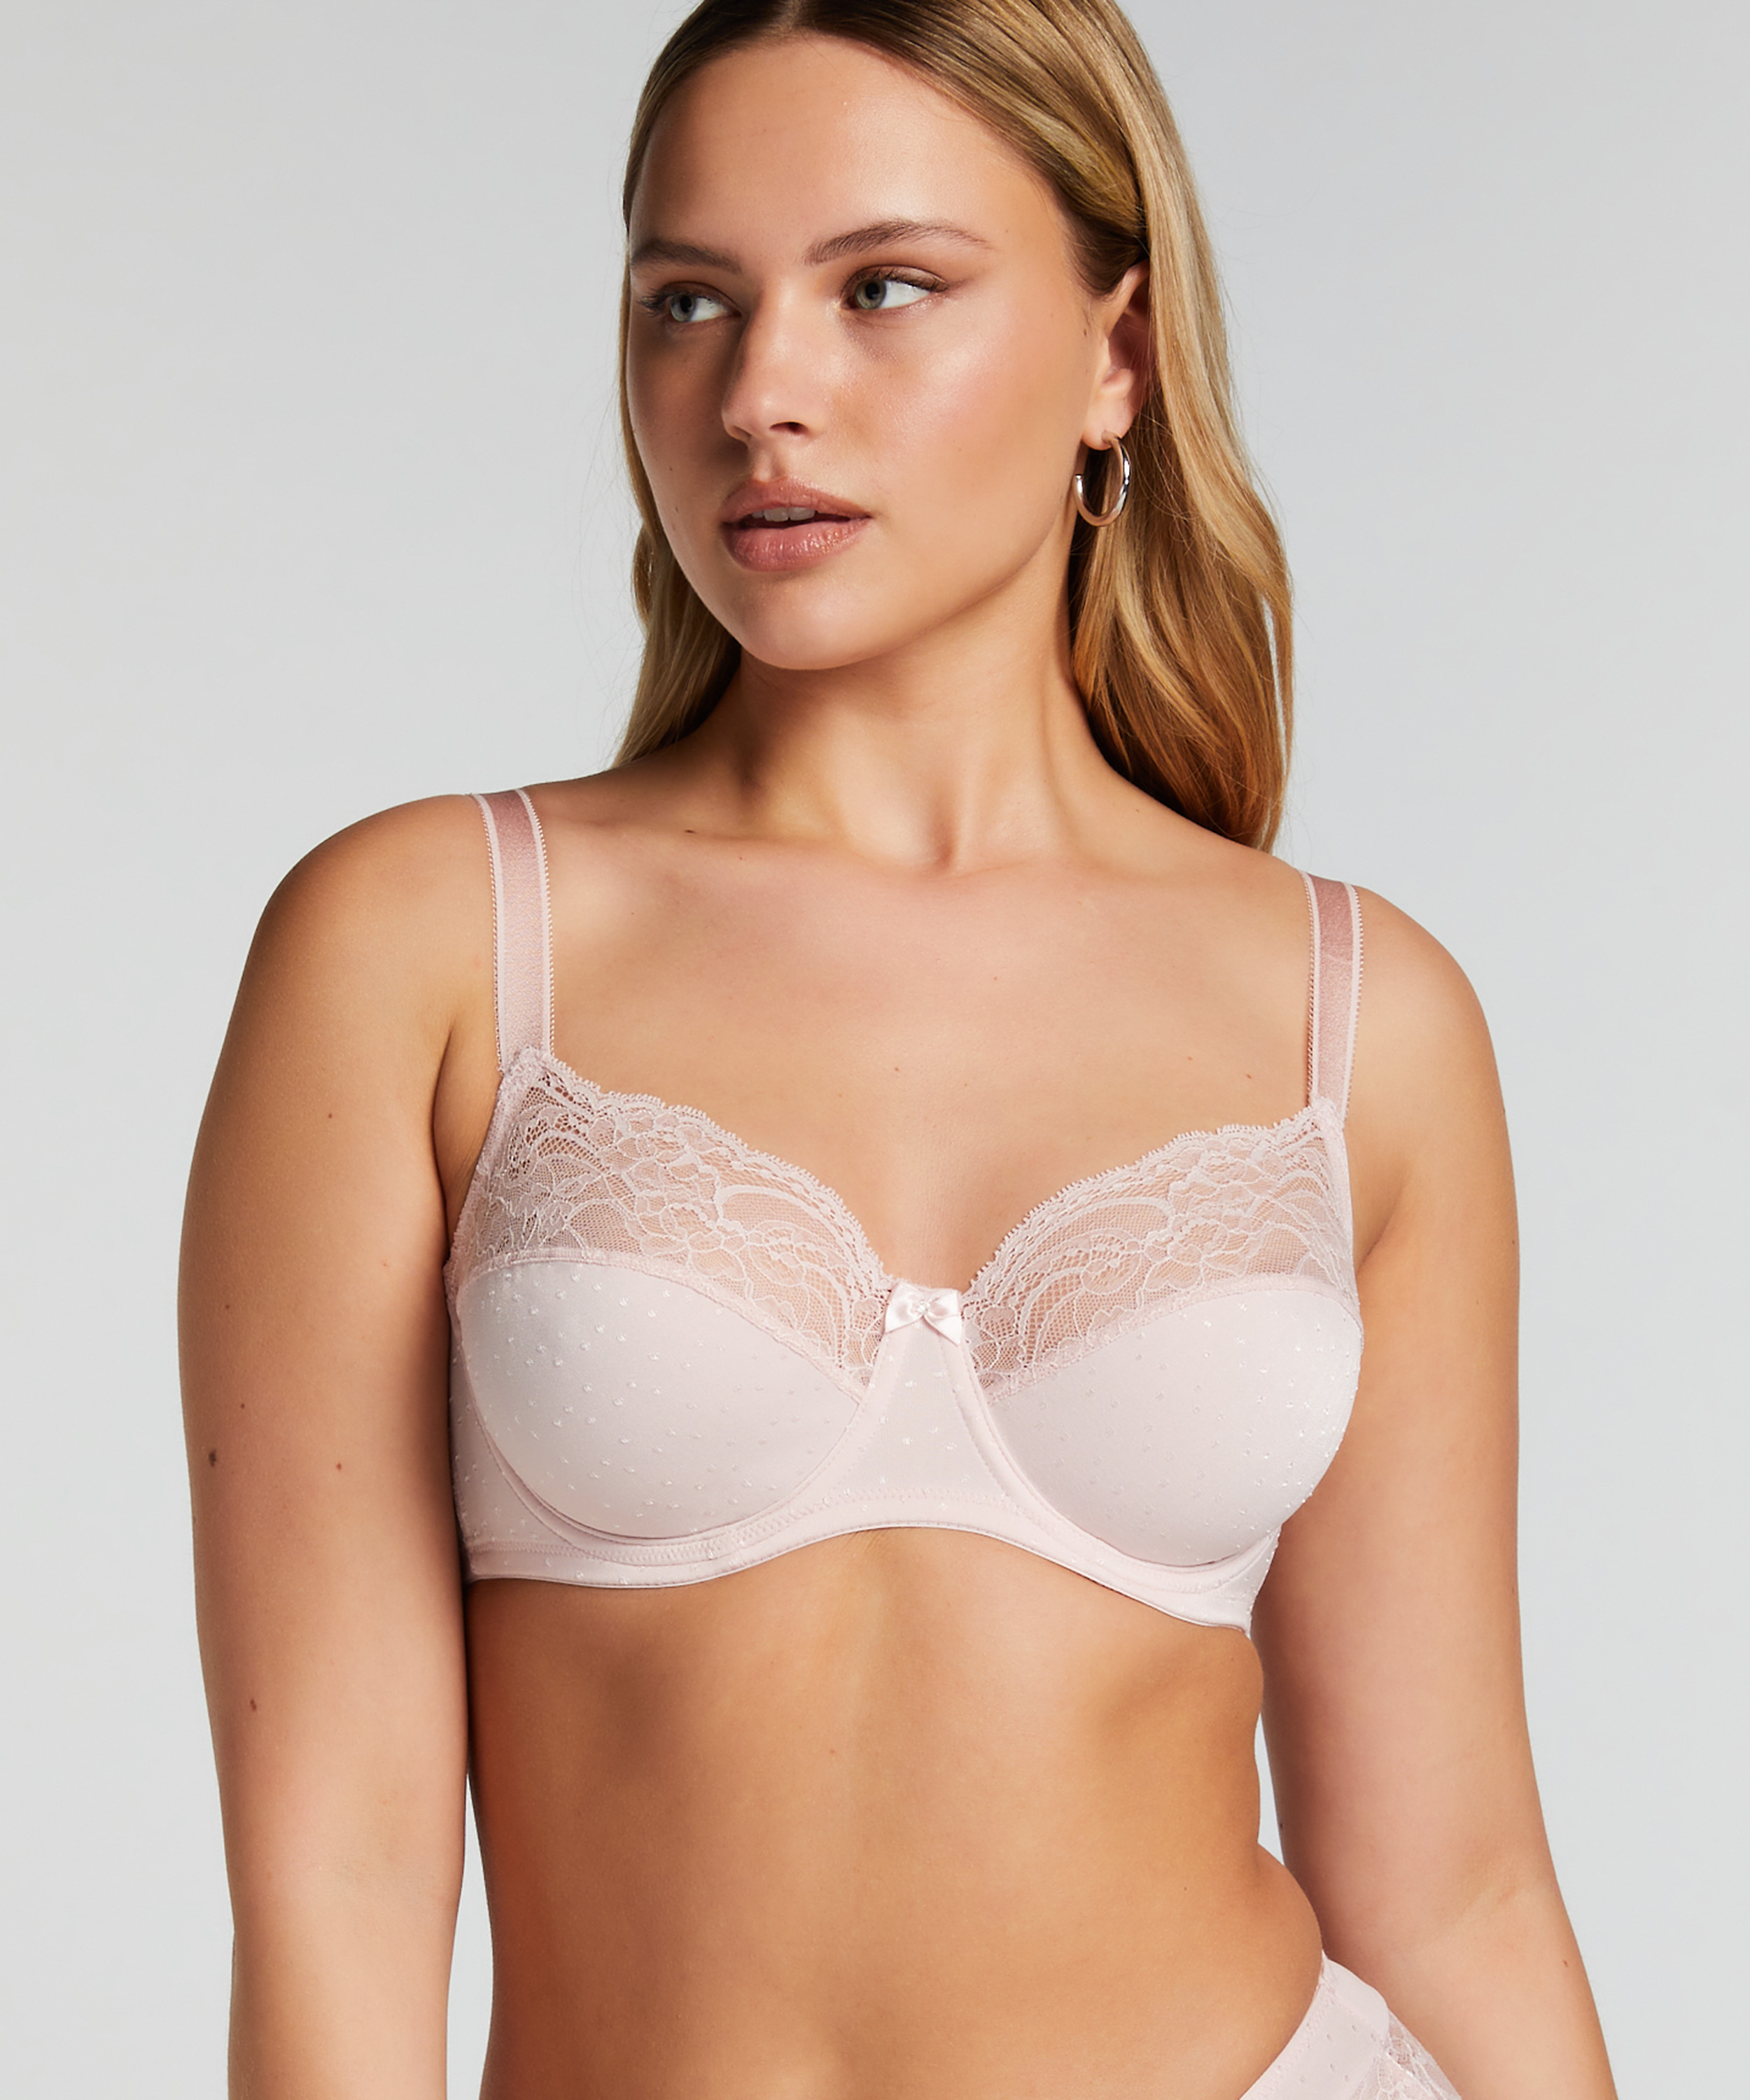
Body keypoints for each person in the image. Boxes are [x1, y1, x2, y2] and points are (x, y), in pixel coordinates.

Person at [180, 3, 1620, 2094]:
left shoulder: (1356, 1018)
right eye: (688, 301)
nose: (760, 391)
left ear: (1118, 357)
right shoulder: (430, 949)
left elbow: (1454, 1884)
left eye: (883, 288)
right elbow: (340, 1864)